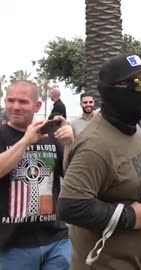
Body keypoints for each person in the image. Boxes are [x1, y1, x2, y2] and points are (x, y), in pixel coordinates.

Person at [57, 53, 141, 270]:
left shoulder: (137, 134)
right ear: (112, 90)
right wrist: (128, 216)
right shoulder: (95, 146)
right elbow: (70, 206)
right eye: (137, 84)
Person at [0, 80, 73, 270]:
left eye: (23, 102)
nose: (15, 107)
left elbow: (73, 175)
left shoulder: (51, 137)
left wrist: (70, 144)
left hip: (56, 241)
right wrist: (25, 141)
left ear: (37, 105)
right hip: (11, 246)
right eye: (10, 101)